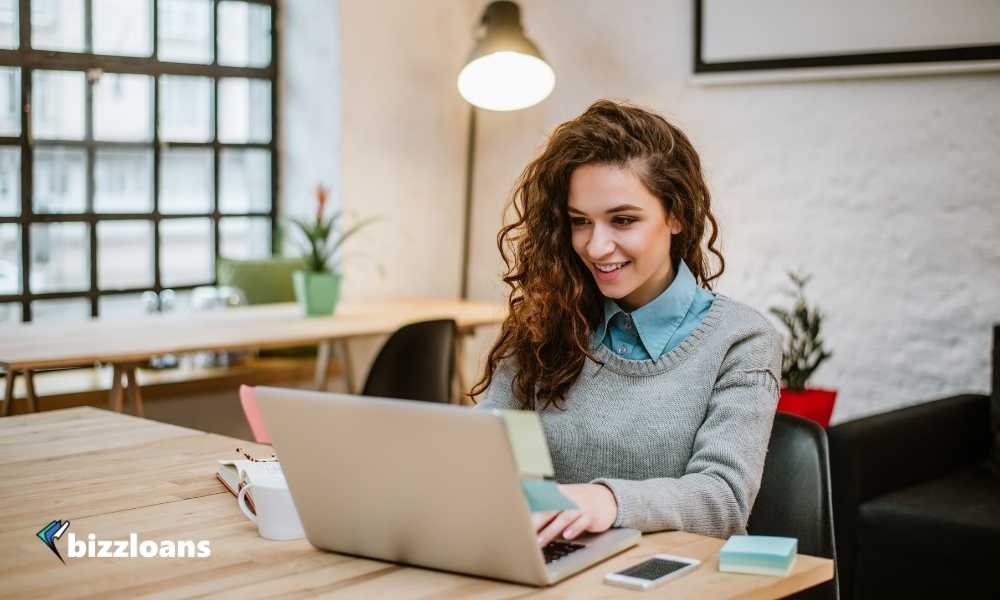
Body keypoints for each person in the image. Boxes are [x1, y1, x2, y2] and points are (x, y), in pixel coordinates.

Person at [472, 100, 782, 548]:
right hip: (553, 570)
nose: (597, 247)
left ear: (676, 214)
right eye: (580, 222)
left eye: (623, 220)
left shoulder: (741, 340)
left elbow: (723, 498)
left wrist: (606, 500)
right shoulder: (547, 322)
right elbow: (490, 450)